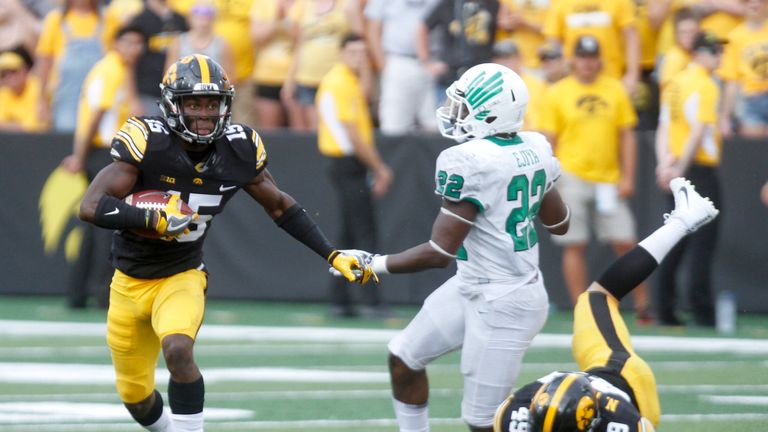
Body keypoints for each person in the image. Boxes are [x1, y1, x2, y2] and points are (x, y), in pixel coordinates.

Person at [77, 54, 373, 432]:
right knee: (135, 397)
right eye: (194, 104)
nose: (204, 114)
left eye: (212, 104)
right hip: (127, 282)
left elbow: (280, 206)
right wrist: (151, 218)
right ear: (172, 105)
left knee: (178, 349)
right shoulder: (148, 141)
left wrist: (331, 254)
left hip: (181, 275)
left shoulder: (238, 149)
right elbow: (90, 206)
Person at [333, 62, 571, 432]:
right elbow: (560, 224)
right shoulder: (535, 147)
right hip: (475, 284)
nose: (454, 112)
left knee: (482, 421)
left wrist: (373, 264)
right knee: (404, 358)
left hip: (505, 301)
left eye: (464, 105)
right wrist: (534, 182)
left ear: (490, 113)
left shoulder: (471, 161)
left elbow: (439, 253)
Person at [493, 176, 720, 432]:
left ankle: (684, 219)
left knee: (597, 298)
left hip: (631, 380)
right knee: (596, 297)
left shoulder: (621, 422)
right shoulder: (516, 413)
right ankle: (684, 219)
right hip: (602, 368)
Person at [539, 35, 651, 323]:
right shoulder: (557, 92)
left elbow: (626, 136)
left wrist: (628, 176)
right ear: (573, 60)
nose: (587, 63)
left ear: (599, 60)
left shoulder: (614, 89)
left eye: (592, 57)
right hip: (571, 175)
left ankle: (644, 306)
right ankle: (582, 309)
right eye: (582, 57)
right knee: (574, 243)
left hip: (607, 178)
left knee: (625, 241)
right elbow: (550, 139)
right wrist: (550, 180)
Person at [60, 24, 145, 309]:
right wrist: (79, 156)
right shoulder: (111, 69)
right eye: (129, 42)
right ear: (116, 43)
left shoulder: (119, 69)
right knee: (107, 224)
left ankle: (78, 293)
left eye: (139, 43)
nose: (135, 48)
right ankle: (103, 293)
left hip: (103, 152)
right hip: (104, 153)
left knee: (94, 225)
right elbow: (96, 115)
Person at [316, 33, 393, 317]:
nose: (358, 58)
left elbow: (367, 96)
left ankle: (341, 299)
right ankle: (370, 300)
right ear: (341, 53)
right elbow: (353, 135)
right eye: (353, 52)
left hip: (346, 163)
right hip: (347, 162)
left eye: (363, 52)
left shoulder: (347, 80)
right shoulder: (339, 82)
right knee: (363, 233)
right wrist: (379, 168)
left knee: (349, 232)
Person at [654, 32, 726, 327]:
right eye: (714, 51)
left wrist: (664, 165)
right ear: (698, 53)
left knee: (675, 238)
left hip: (675, 166)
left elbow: (663, 126)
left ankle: (665, 308)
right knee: (702, 243)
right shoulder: (705, 85)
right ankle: (702, 311)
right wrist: (680, 167)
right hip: (697, 169)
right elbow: (697, 132)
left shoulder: (675, 83)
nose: (719, 57)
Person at [35, 0, 119, 131]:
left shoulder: (109, 18)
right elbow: (45, 62)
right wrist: (42, 100)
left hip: (102, 96)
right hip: (65, 97)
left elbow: (118, 59)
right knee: (66, 132)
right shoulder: (56, 19)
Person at [282, 0, 363, 130]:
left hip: (338, 80)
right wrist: (289, 80)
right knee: (315, 130)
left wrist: (363, 77)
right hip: (308, 78)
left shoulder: (347, 4)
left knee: (340, 125)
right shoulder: (303, 5)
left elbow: (359, 42)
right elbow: (299, 45)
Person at [364, 0, 440, 135]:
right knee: (394, 125)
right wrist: (382, 65)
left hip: (433, 61)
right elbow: (372, 26)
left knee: (435, 124)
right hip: (398, 60)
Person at [543, 0, 640, 94]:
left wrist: (632, 75)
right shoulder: (561, 2)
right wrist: (557, 74)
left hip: (611, 78)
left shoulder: (619, 1)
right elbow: (553, 41)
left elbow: (631, 36)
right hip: (573, 81)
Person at [417, 0, 500, 107]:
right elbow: (422, 27)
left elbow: (504, 26)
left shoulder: (492, 3)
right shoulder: (449, 3)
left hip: (480, 78)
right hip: (450, 76)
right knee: (448, 114)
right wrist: (426, 62)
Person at [128, 0, 188, 116]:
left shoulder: (180, 20)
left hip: (178, 95)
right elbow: (129, 62)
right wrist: (133, 99)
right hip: (147, 94)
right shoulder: (139, 21)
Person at [719, 0, 768, 138]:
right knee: (753, 147)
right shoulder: (734, 37)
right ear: (742, 4)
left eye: (759, 1)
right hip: (750, 100)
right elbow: (732, 81)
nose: (755, 4)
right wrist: (725, 117)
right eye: (749, 1)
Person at [249, 0, 299, 129]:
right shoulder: (263, 3)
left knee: (300, 131)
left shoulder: (303, 3)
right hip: (267, 76)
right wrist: (277, 19)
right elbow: (257, 38)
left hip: (298, 76)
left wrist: (286, 19)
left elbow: (301, 39)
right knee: (269, 130)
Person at [164, 1, 234, 77]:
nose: (203, 22)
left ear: (213, 19)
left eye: (207, 18)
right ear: (190, 19)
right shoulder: (178, 42)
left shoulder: (222, 44)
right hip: (184, 84)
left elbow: (230, 76)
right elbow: (169, 74)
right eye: (199, 18)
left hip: (213, 84)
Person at [0, 47, 46, 132]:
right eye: (3, 74)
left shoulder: (38, 88)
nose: (9, 77)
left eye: (13, 71)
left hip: (34, 139)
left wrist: (7, 125)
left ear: (24, 71)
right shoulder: (3, 93)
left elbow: (36, 126)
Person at [657, 7, 701, 89]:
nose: (688, 36)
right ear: (676, 34)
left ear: (699, 31)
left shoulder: (698, 54)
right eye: (683, 32)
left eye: (692, 31)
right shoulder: (674, 58)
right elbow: (668, 89)